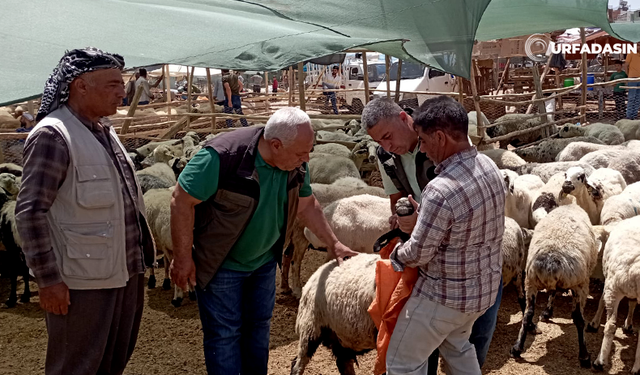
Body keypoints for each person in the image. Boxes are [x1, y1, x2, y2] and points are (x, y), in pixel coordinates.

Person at [170, 107, 358, 375]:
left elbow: (307, 204)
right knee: (224, 334)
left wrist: (334, 243)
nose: (307, 159)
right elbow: (181, 200)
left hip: (264, 263)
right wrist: (182, 257)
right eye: (300, 152)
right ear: (276, 145)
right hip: (222, 264)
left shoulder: (295, 165)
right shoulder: (224, 157)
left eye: (309, 151)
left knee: (258, 328)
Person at [16, 47, 155, 375]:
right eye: (112, 85)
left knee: (111, 363)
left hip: (123, 272)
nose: (123, 92)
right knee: (75, 367)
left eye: (121, 84)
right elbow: (30, 212)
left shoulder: (104, 130)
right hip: (81, 283)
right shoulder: (54, 135)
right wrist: (48, 281)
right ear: (80, 86)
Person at [362, 97, 504, 374]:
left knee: (401, 362)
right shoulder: (490, 167)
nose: (423, 150)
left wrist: (396, 254)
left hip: (444, 295)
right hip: (480, 289)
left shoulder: (440, 189)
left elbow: (418, 253)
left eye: (424, 142)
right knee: (459, 350)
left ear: (439, 137)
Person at [625, 48, 640, 119]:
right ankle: (629, 115)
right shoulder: (631, 53)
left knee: (638, 98)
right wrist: (628, 76)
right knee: (631, 97)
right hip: (632, 78)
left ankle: (634, 115)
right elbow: (626, 65)